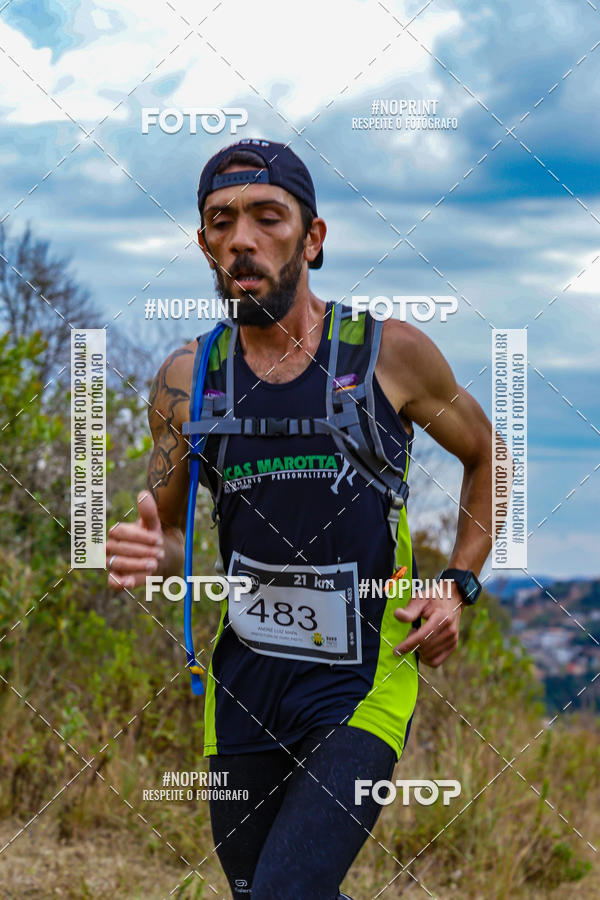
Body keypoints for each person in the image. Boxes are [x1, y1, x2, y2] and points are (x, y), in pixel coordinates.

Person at [106, 138, 493, 899]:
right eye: (221, 220)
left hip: (361, 680)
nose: (241, 238)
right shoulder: (187, 380)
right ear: (204, 244)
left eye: (267, 217)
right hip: (245, 683)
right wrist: (155, 548)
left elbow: (490, 458)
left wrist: (457, 586)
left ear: (312, 238)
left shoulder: (390, 355)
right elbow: (177, 531)